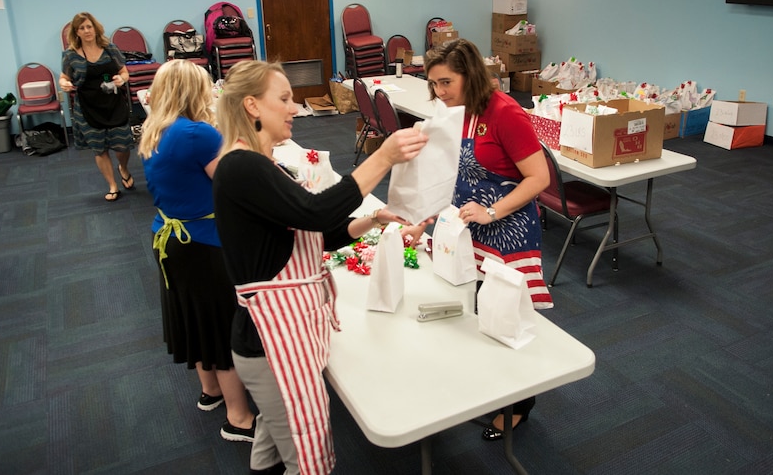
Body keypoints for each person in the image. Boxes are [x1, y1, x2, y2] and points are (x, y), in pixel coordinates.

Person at [212, 60, 428, 475]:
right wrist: (381, 158)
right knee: (304, 456)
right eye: (285, 99)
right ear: (253, 106)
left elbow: (316, 235)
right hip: (268, 341)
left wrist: (373, 220)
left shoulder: (261, 164)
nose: (295, 108)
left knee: (273, 444)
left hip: (274, 334)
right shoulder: (242, 166)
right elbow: (313, 212)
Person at [406, 38, 553, 441]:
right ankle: (491, 388)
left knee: (508, 318)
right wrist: (425, 220)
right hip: (469, 230)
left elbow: (539, 179)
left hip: (507, 232)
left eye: (446, 82)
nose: (439, 92)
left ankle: (521, 405)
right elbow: (451, 178)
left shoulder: (506, 113)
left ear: (470, 75)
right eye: (433, 84)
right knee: (476, 313)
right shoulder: (456, 112)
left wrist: (493, 211)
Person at [137, 59, 256, 442]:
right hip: (203, 244)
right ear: (196, 91)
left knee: (195, 319)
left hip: (170, 239)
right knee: (221, 328)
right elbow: (234, 183)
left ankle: (211, 392)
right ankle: (239, 419)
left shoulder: (156, 129)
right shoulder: (195, 134)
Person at [59, 12, 135, 201]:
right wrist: (64, 84)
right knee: (100, 149)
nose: (86, 31)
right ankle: (112, 185)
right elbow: (64, 77)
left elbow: (124, 72)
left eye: (89, 26)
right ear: (76, 32)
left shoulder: (110, 48)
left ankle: (123, 168)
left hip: (113, 104)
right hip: (87, 107)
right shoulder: (70, 56)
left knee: (123, 145)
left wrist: (121, 79)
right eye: (81, 28)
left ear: (95, 28)